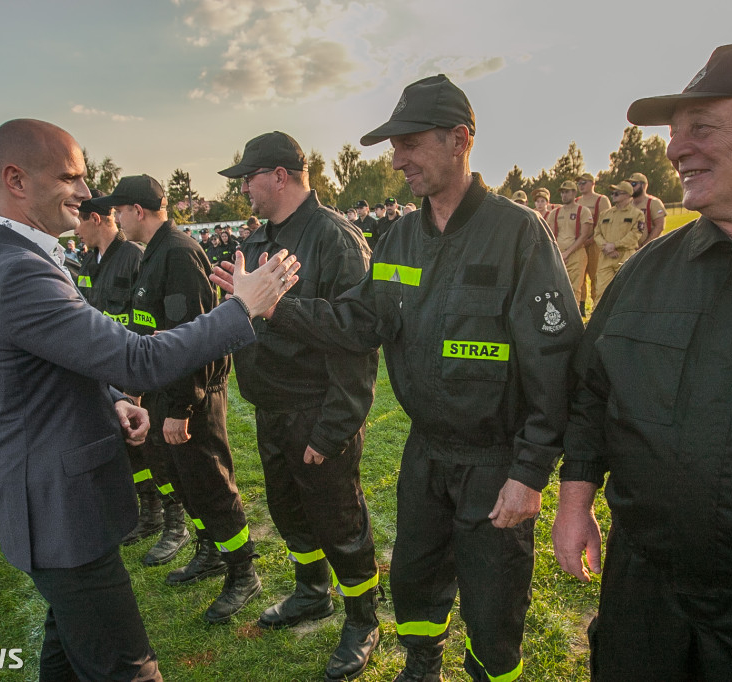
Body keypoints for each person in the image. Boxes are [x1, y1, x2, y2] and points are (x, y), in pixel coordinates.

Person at [217, 76, 583, 682]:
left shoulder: (517, 232)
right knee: (415, 576)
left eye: (410, 143)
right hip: (426, 452)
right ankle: (421, 664)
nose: (397, 159)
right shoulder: (402, 238)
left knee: (493, 602)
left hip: (494, 461)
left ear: (460, 138)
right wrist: (276, 306)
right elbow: (361, 321)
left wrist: (530, 472)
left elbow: (555, 361)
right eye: (394, 146)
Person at [0, 119, 299, 681]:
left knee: (68, 657)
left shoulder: (19, 259)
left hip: (58, 506)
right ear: (15, 180)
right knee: (130, 670)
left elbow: (59, 364)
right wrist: (242, 308)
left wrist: (111, 398)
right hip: (60, 514)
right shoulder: (19, 270)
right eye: (69, 176)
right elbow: (136, 356)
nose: (85, 192)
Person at [552, 40, 732, 681]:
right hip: (645, 602)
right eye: (675, 134)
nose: (676, 149)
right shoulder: (650, 271)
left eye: (702, 128)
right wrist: (574, 500)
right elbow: (593, 392)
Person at [217, 131, 381, 681]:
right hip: (272, 406)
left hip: (317, 411)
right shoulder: (263, 238)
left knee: (340, 520)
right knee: (290, 513)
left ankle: (363, 618)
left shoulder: (334, 239)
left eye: (249, 178)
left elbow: (357, 339)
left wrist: (333, 429)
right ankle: (312, 591)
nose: (244, 190)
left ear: (280, 175)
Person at [92, 174, 263, 624]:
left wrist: (183, 408)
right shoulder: (152, 253)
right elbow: (149, 331)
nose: (115, 217)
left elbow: (194, 339)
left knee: (210, 483)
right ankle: (209, 551)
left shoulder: (180, 253)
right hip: (163, 394)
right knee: (184, 481)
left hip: (192, 394)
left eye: (120, 209)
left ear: (138, 211)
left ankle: (243, 573)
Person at [74, 189, 163, 546]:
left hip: (131, 368)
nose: (75, 232)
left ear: (95, 218)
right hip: (104, 369)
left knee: (148, 446)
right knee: (124, 447)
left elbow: (144, 320)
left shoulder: (133, 257)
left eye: (78, 223)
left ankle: (163, 514)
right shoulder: (88, 262)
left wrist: (134, 384)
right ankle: (145, 510)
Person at [590, 181, 646, 307]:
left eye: (617, 192)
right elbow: (597, 233)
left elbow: (635, 235)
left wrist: (615, 245)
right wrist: (606, 247)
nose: (613, 195)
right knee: (601, 291)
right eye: (613, 192)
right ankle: (598, 321)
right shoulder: (605, 214)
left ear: (627, 195)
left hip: (626, 256)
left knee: (625, 291)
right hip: (605, 257)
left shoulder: (637, 214)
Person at [548, 180, 593, 312]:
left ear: (574, 193)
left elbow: (584, 235)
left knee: (574, 289)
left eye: (567, 192)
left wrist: (567, 253)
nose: (564, 195)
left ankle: (575, 317)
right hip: (558, 254)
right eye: (562, 192)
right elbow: (550, 235)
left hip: (576, 254)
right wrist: (558, 254)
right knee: (556, 287)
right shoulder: (554, 213)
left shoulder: (583, 211)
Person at [576, 173, 610, 316]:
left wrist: (592, 239)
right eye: (579, 183)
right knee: (580, 277)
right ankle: (581, 308)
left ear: (592, 183)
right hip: (580, 244)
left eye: (584, 182)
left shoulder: (601, 200)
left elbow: (605, 223)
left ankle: (599, 308)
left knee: (596, 275)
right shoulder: (577, 200)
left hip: (596, 243)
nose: (581, 185)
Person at [628, 172, 667, 245]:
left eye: (634, 184)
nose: (630, 187)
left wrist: (645, 246)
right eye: (629, 184)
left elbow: (659, 226)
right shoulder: (627, 204)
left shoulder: (654, 203)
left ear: (643, 185)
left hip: (652, 248)